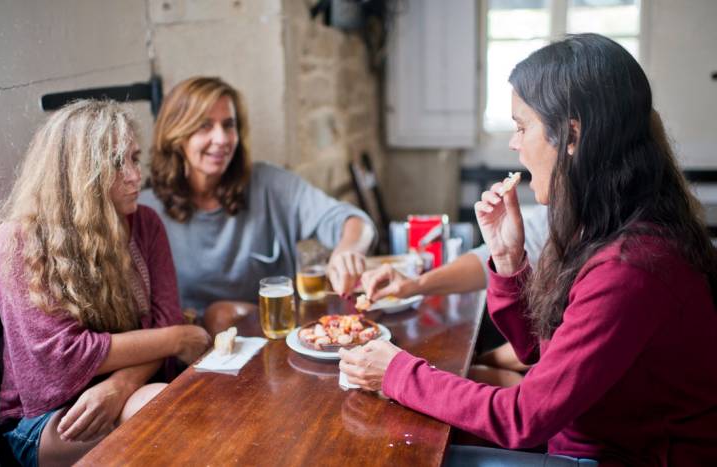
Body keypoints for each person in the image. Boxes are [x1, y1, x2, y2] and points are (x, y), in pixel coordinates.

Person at [339, 33, 717, 465]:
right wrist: (508, 260)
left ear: (571, 135)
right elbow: (543, 356)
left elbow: (523, 418)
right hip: (578, 442)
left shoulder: (633, 265)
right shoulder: (605, 224)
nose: (514, 144)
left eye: (522, 127)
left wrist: (396, 372)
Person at [0, 100, 212, 467]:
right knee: (152, 434)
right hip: (46, 416)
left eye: (134, 158)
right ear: (78, 172)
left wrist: (119, 386)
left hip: (133, 385)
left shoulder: (145, 223)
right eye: (116, 163)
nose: (134, 176)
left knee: (173, 411)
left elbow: (163, 321)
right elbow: (59, 359)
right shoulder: (18, 240)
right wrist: (178, 339)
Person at [139, 76, 375, 336]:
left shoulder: (269, 184)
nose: (221, 139)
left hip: (272, 345)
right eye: (204, 126)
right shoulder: (145, 211)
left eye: (228, 125)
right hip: (192, 358)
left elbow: (355, 221)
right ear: (176, 134)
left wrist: (347, 251)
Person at [361, 206, 548, 387]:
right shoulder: (555, 212)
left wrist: (405, 377)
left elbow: (529, 397)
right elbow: (491, 259)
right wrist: (414, 285)